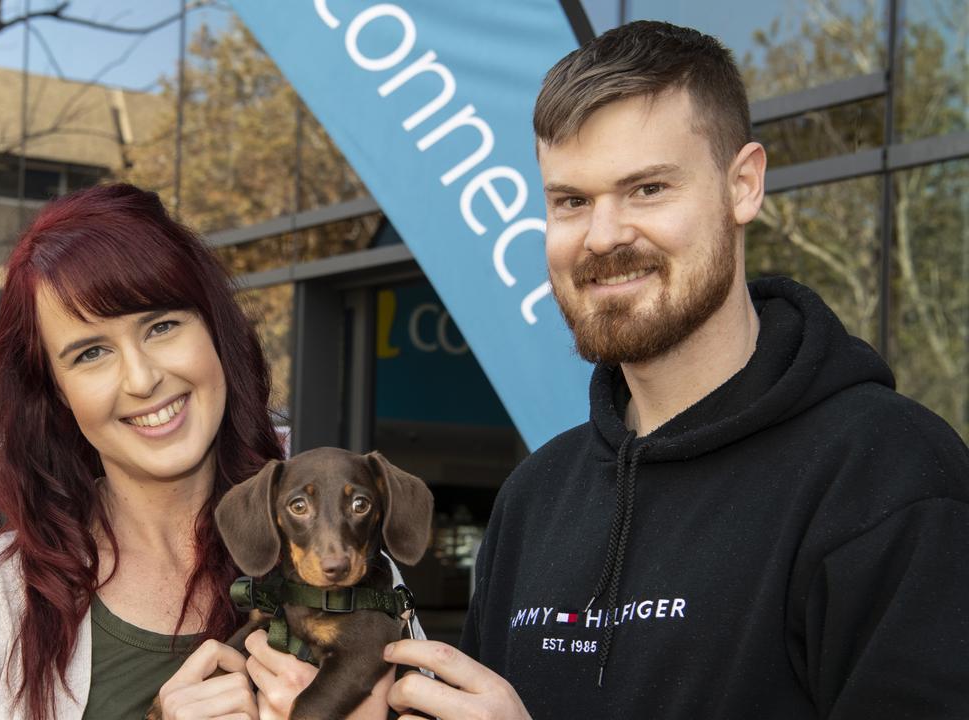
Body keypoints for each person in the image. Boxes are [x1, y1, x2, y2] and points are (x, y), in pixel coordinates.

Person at [384, 20, 969, 719]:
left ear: (743, 185)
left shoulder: (890, 478)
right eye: (571, 200)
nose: (603, 236)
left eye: (649, 189)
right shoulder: (532, 499)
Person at [0, 183, 395, 720]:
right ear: (56, 392)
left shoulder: (338, 536)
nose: (142, 378)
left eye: (162, 326)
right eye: (91, 353)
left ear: (215, 331)